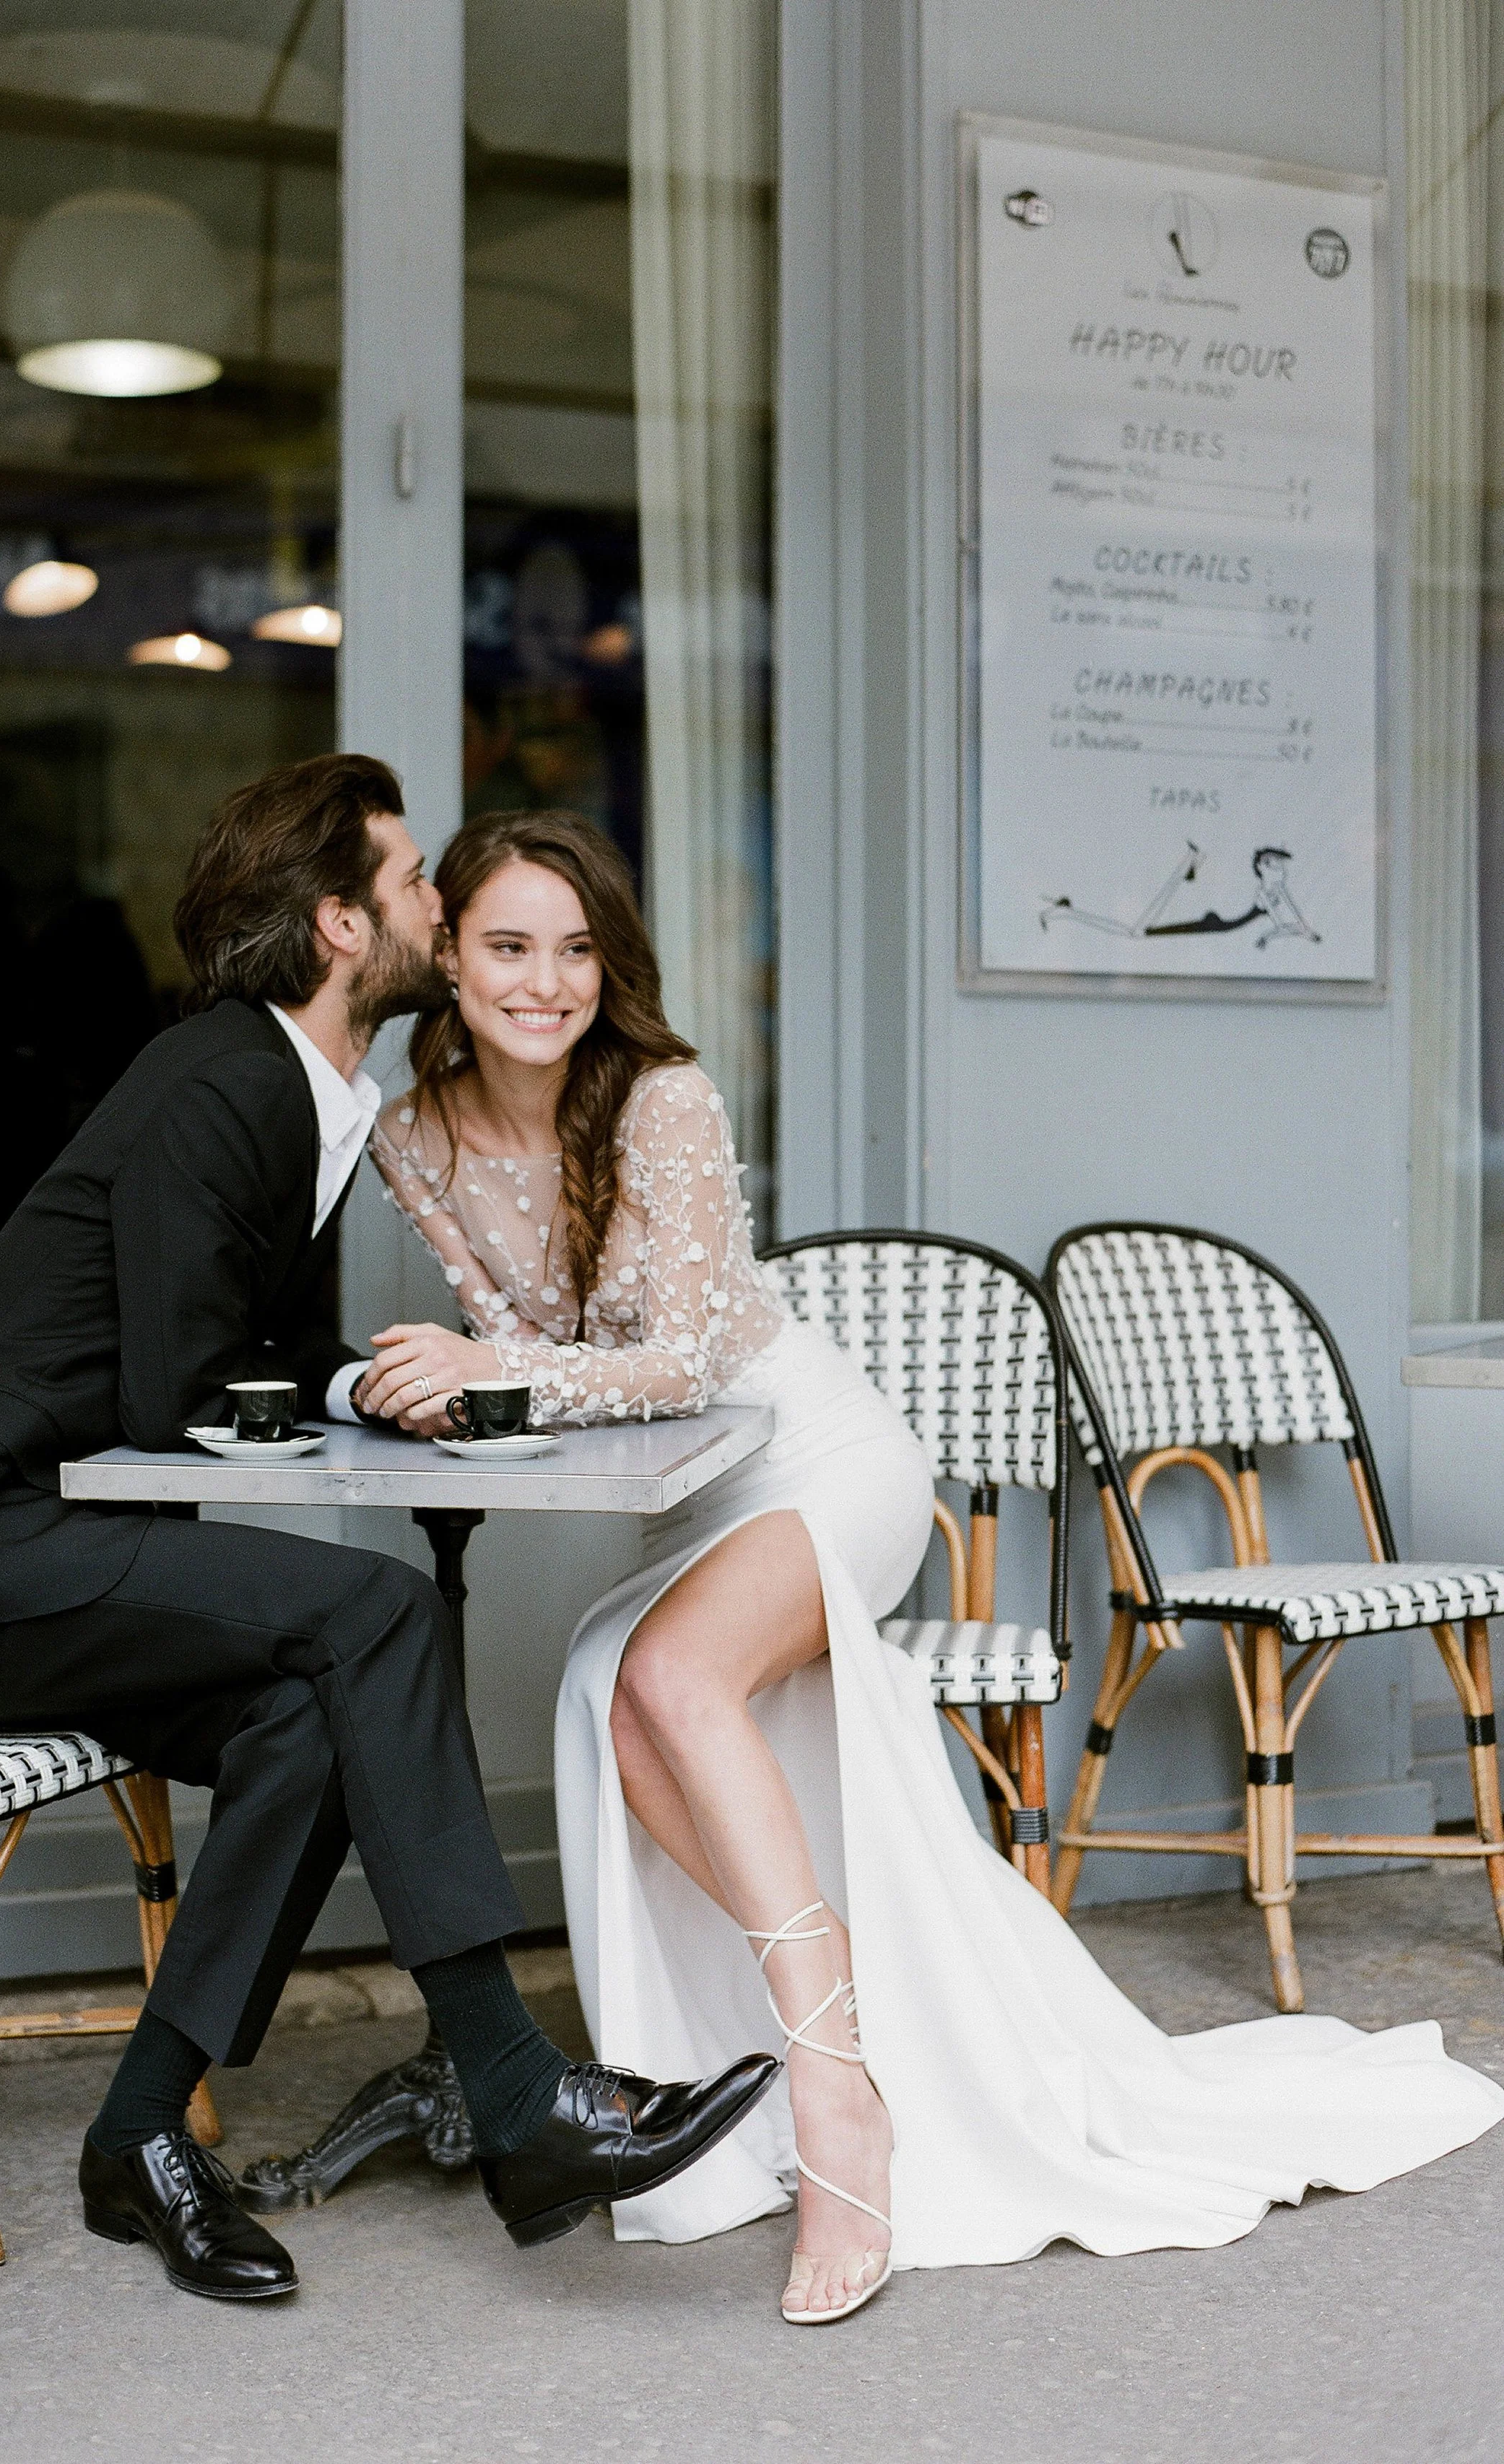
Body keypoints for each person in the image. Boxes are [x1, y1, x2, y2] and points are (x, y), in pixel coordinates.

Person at [358, 805, 1504, 2327]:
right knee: (604, 1694)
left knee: (667, 1673)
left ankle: (838, 2100)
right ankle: (858, 1998)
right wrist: (416, 1381)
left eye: (575, 947)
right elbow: (547, 1356)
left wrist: (486, 1362)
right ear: (448, 951)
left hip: (814, 1453)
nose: (544, 981)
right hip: (680, 1493)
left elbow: (687, 1350)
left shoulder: (662, 1096)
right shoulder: (408, 1134)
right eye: (508, 944)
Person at [0, 756, 778, 2304]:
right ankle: (517, 2082)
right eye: (416, 883)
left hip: (61, 1540)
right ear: (344, 924)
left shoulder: (319, 1092)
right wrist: (348, 1380)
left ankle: (135, 2135)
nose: (439, 901)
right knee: (382, 1617)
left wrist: (365, 1377)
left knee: (312, 1717)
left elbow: (255, 1344)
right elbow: (170, 1386)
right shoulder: (220, 1080)